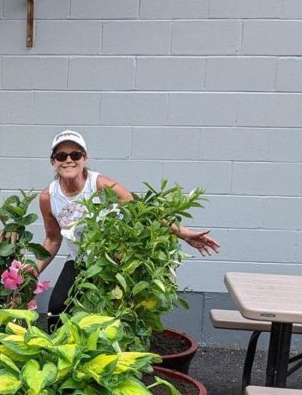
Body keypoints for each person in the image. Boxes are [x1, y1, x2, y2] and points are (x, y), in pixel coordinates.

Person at [35, 130, 221, 329]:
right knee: (56, 310)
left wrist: (181, 232)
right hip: (79, 261)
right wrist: (33, 271)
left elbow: (141, 210)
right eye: (61, 156)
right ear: (53, 162)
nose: (69, 160)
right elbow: (53, 240)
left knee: (112, 316)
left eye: (76, 155)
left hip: (114, 260)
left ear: (85, 159)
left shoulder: (100, 185)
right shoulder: (49, 197)